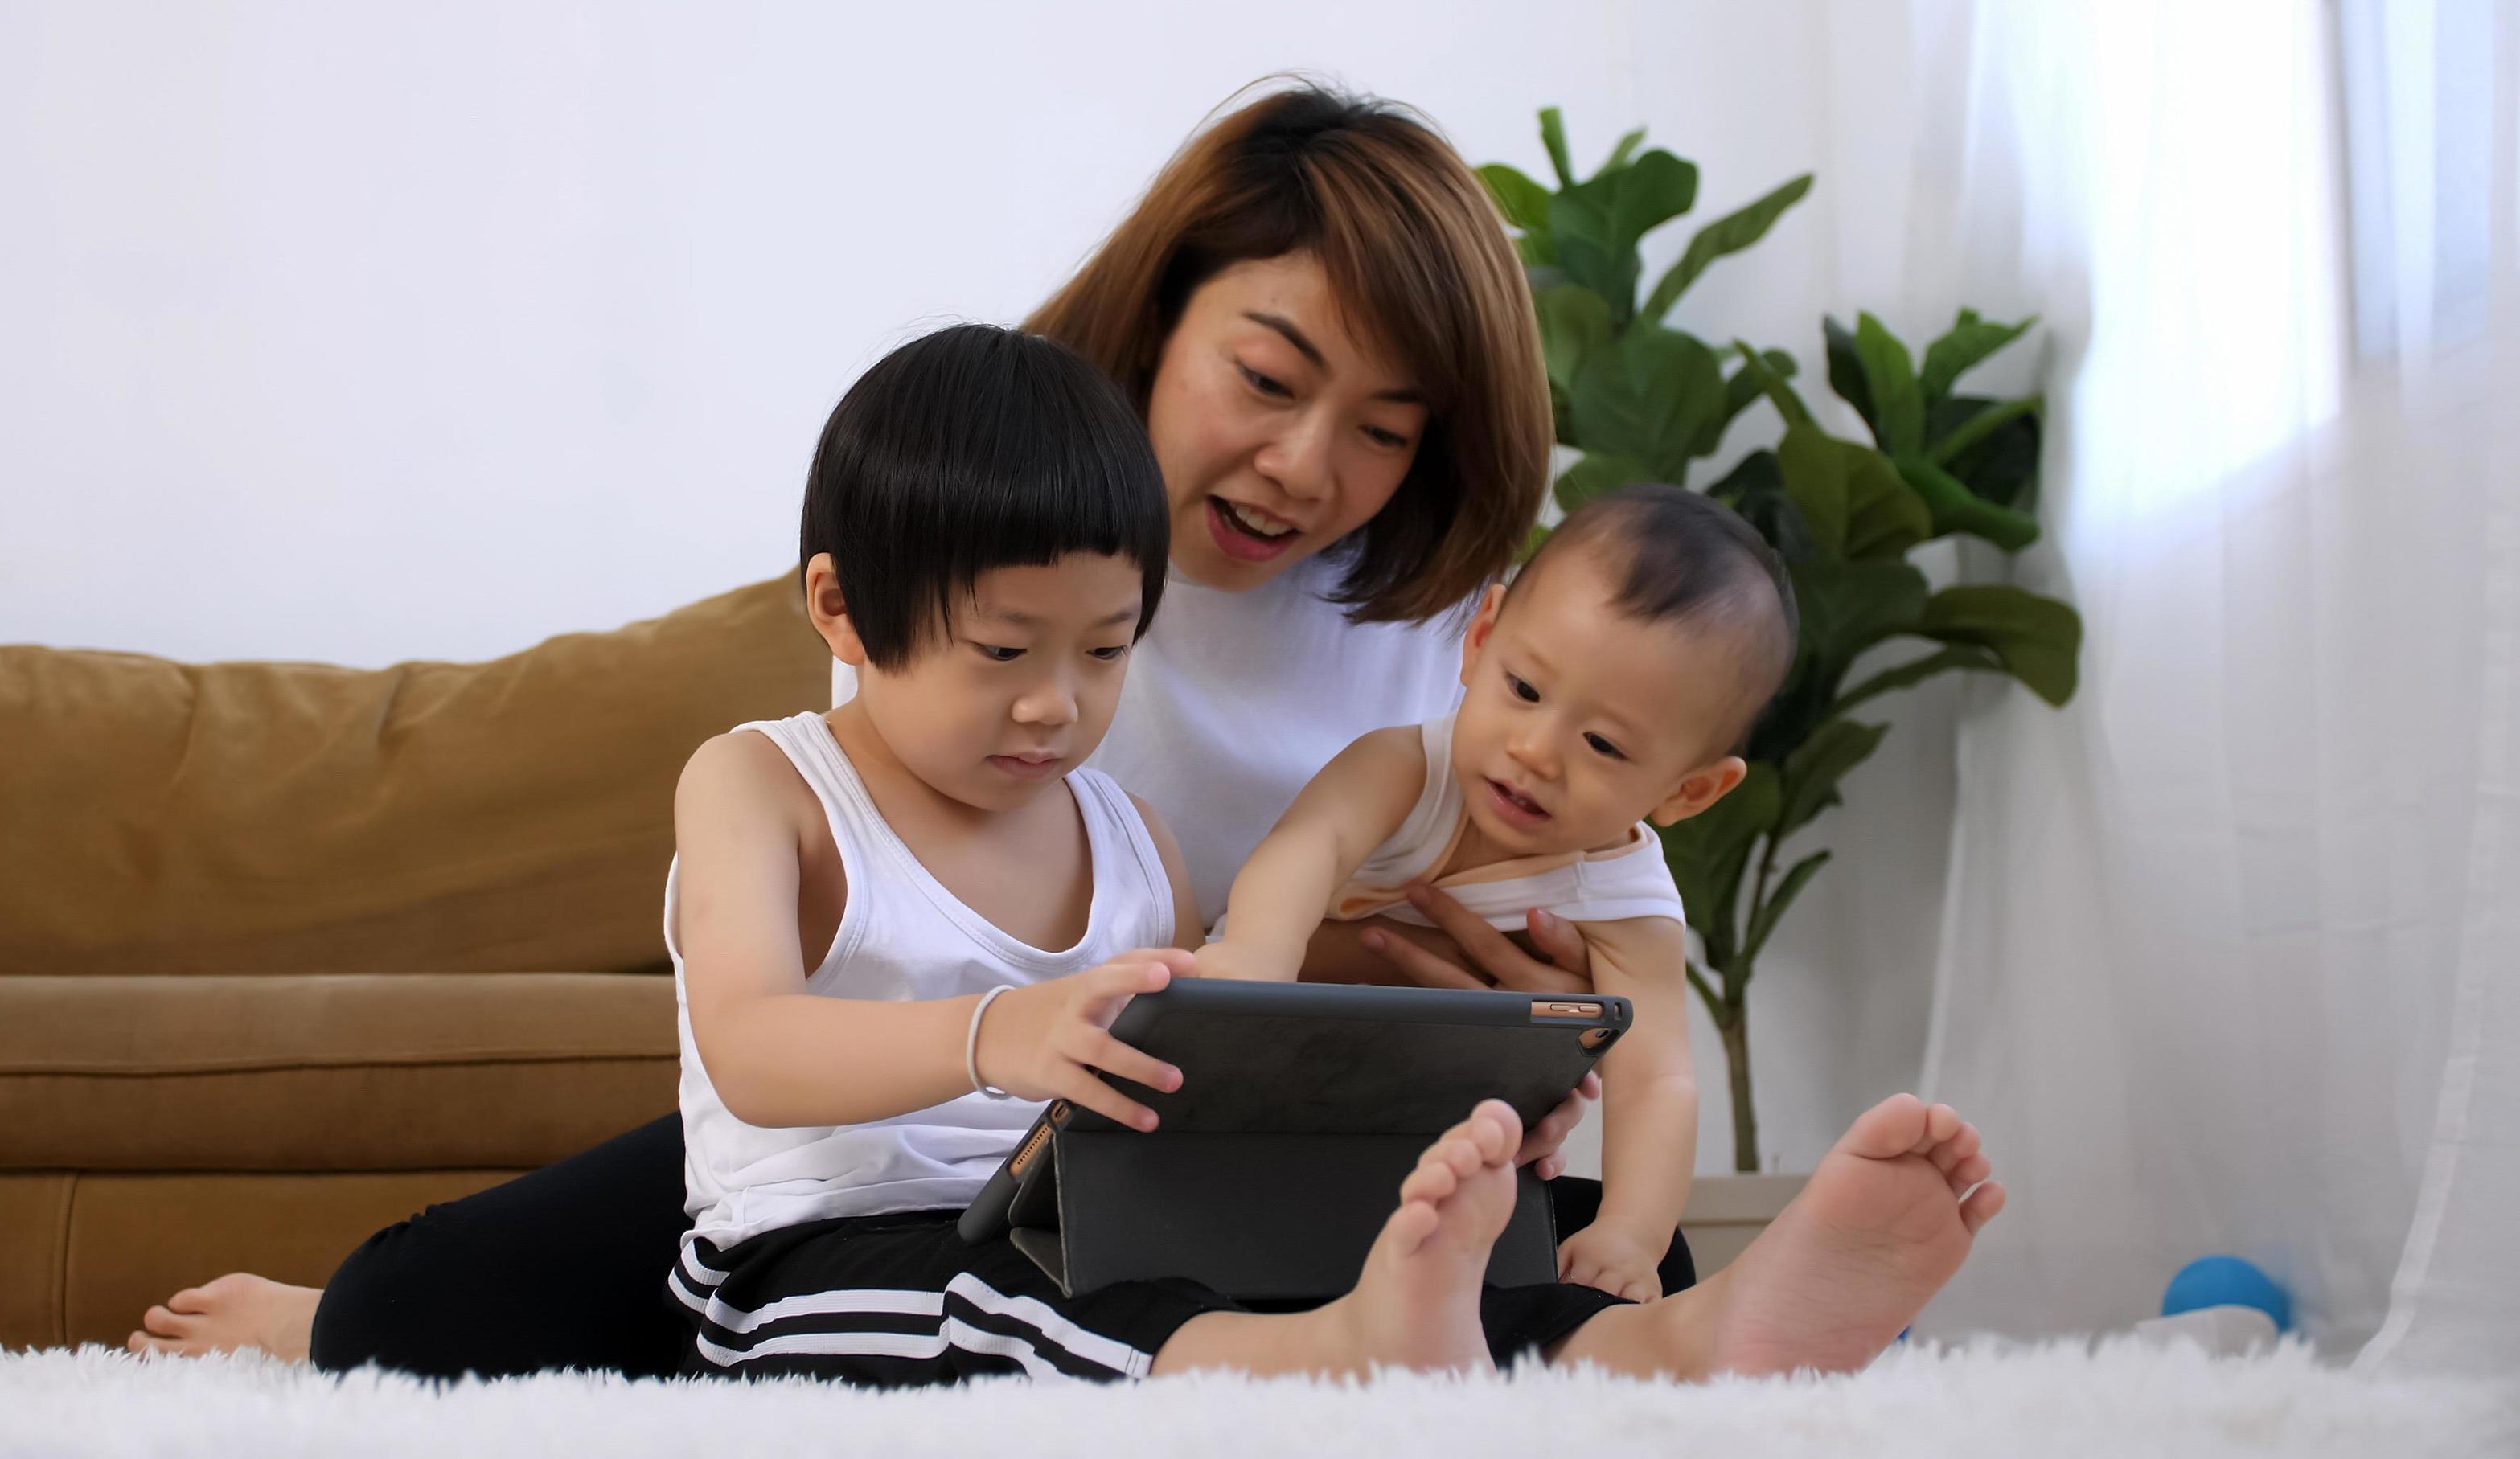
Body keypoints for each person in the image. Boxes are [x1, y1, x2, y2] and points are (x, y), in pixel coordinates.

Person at [122, 81, 1902, 1378]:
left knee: (1612, 1259)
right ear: (1157, 320)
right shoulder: (1000, 547)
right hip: (964, 1096)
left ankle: (1543, 1345)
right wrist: (1278, 957)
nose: (1305, 467)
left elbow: (1569, 919)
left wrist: (1470, 1005)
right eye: (1268, 378)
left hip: (1301, 1105)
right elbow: (907, 902)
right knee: (429, 1311)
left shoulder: (1467, 630)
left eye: (1383, 428)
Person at [1197, 486, 1795, 1306]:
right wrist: (1253, 961)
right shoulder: (1407, 769)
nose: (1536, 750)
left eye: (1604, 744)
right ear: (1480, 640)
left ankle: (1736, 1327)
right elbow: (1307, 848)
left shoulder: (1627, 903)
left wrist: (1632, 1233)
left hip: (1423, 1131)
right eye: (1524, 689)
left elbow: (1655, 1079)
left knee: (1586, 1260)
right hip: (1262, 1074)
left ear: (1689, 791)